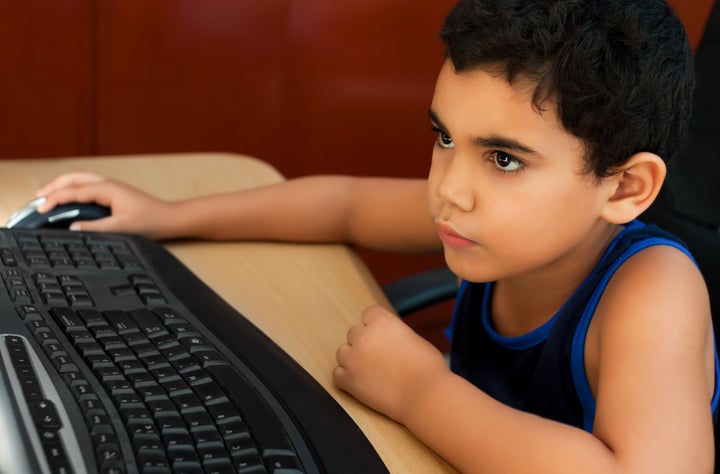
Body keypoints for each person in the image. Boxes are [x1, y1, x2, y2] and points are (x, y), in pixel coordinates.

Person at [34, 0, 718, 471]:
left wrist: (422, 392)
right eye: (445, 137)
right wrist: (167, 216)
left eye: (504, 158)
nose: (449, 186)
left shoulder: (654, 290)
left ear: (624, 187)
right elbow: (346, 205)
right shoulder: (498, 222)